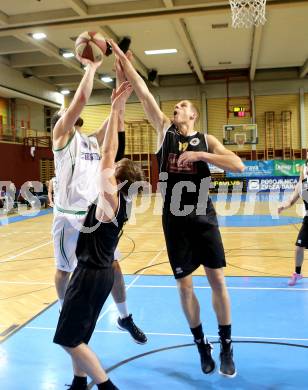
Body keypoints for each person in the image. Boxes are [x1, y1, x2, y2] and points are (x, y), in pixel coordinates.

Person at [111, 40, 245, 377]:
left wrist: (202, 156)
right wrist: (125, 65)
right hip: (174, 222)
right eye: (176, 105)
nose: (176, 107)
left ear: (193, 114)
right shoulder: (163, 131)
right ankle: (201, 345)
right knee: (185, 287)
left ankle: (226, 344)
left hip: (203, 217)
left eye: (183, 105)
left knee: (217, 282)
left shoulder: (207, 139)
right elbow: (142, 92)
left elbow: (238, 165)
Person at [53, 80, 143, 390]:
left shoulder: (108, 198)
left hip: (89, 275)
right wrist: (116, 106)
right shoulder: (122, 203)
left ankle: (106, 386)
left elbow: (108, 149)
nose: (113, 163)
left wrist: (116, 105)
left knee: (67, 338)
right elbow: (106, 148)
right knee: (84, 333)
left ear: (116, 176)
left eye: (116, 165)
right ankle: (79, 383)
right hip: (102, 273)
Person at [278, 161, 308, 285]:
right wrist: (283, 206)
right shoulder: (300, 186)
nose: (303, 171)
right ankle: (297, 273)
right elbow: (291, 200)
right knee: (299, 247)